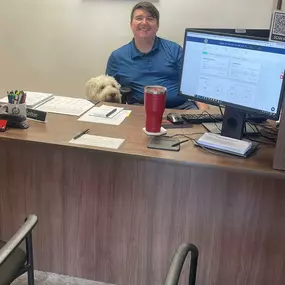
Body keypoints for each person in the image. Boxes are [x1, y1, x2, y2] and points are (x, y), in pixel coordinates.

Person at [106, 1, 208, 109]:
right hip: (141, 111)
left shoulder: (174, 50)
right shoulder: (117, 57)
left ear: (157, 25)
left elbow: (194, 85)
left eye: (150, 18)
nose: (144, 22)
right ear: (131, 24)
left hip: (181, 109)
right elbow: (109, 94)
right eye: (139, 18)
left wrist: (204, 113)